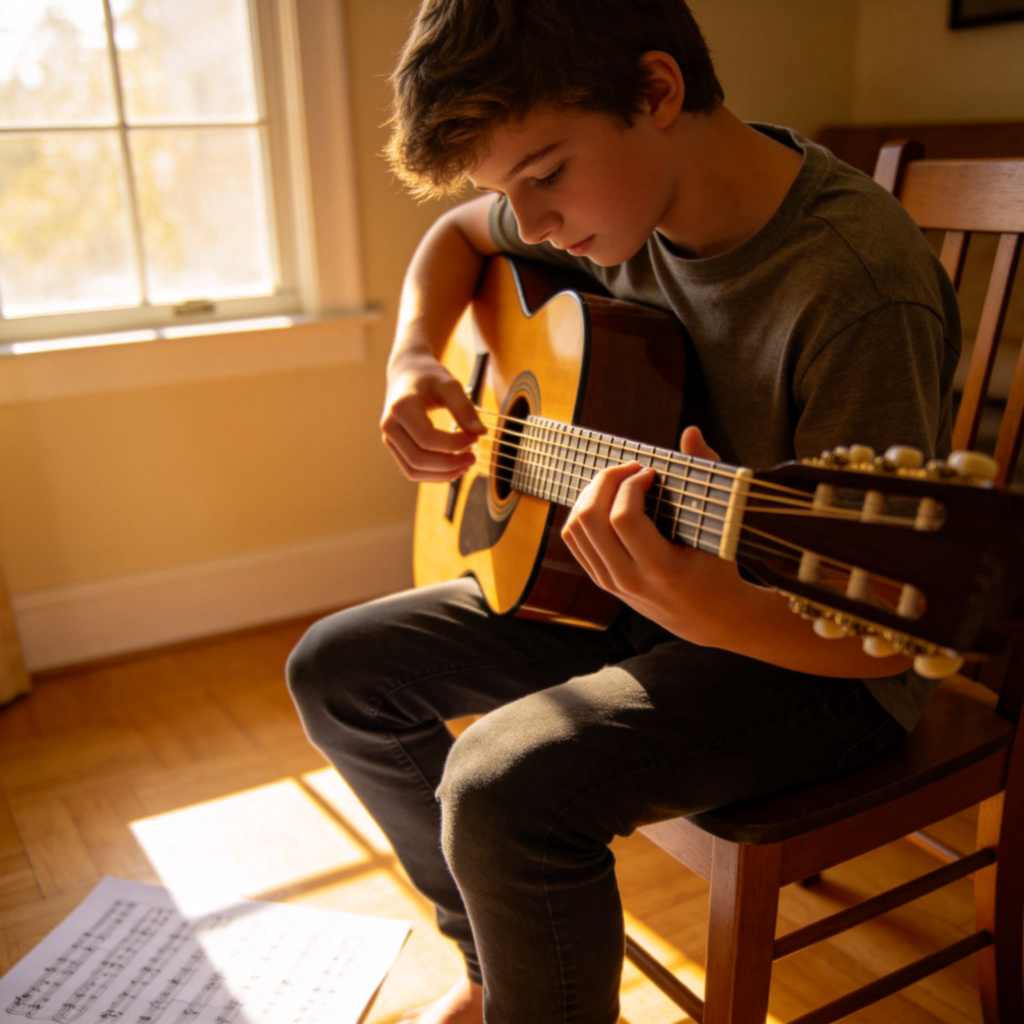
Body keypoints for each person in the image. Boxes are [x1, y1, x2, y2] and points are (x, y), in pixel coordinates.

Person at [286, 1, 961, 1021]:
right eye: (511, 190)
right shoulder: (609, 200)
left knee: (502, 786)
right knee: (335, 672)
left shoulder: (855, 288)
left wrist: (707, 609)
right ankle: (497, 962)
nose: (536, 221)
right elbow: (455, 236)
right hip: (642, 591)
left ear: (655, 91)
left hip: (817, 664)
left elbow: (883, 643)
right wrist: (412, 354)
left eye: (544, 176)